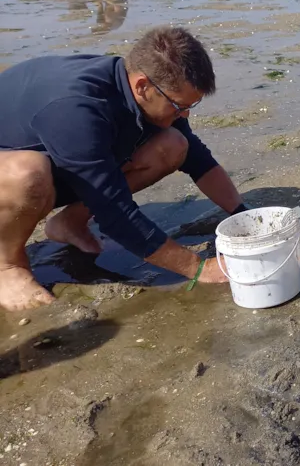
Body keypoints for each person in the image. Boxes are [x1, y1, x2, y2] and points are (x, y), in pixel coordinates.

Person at [0, 27, 249, 311]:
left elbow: (197, 159)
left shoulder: (139, 87)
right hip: (13, 169)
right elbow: (115, 213)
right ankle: (7, 265)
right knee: (28, 176)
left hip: (59, 155)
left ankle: (69, 222)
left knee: (173, 144)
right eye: (179, 105)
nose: (186, 114)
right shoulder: (78, 110)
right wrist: (198, 268)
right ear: (142, 86)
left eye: (192, 105)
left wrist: (243, 215)